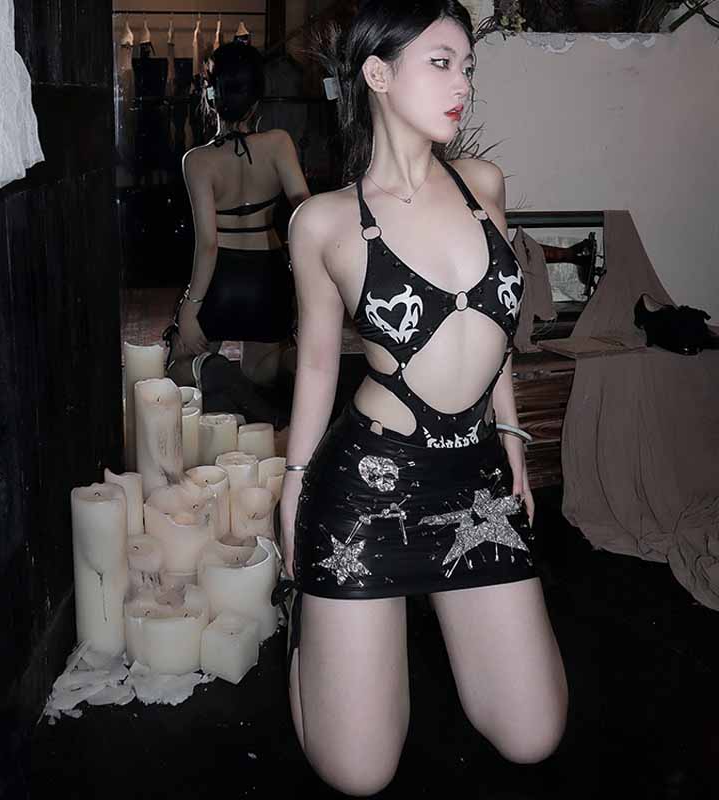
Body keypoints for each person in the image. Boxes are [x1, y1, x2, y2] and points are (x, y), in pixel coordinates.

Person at [275, 2, 569, 795]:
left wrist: (511, 431)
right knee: (359, 774)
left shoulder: (484, 185)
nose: (462, 84)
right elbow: (316, 365)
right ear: (377, 74)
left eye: (467, 67)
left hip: (475, 478)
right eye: (440, 63)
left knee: (534, 736)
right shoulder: (323, 223)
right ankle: (307, 632)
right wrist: (293, 489)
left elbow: (496, 328)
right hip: (367, 486)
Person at [164, 41, 310, 391]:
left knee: (177, 368)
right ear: (257, 98)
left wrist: (190, 308)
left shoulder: (197, 161)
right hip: (268, 275)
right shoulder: (279, 143)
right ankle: (294, 363)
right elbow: (306, 214)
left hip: (219, 278)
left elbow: (208, 245)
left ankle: (208, 368)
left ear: (210, 96)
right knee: (260, 371)